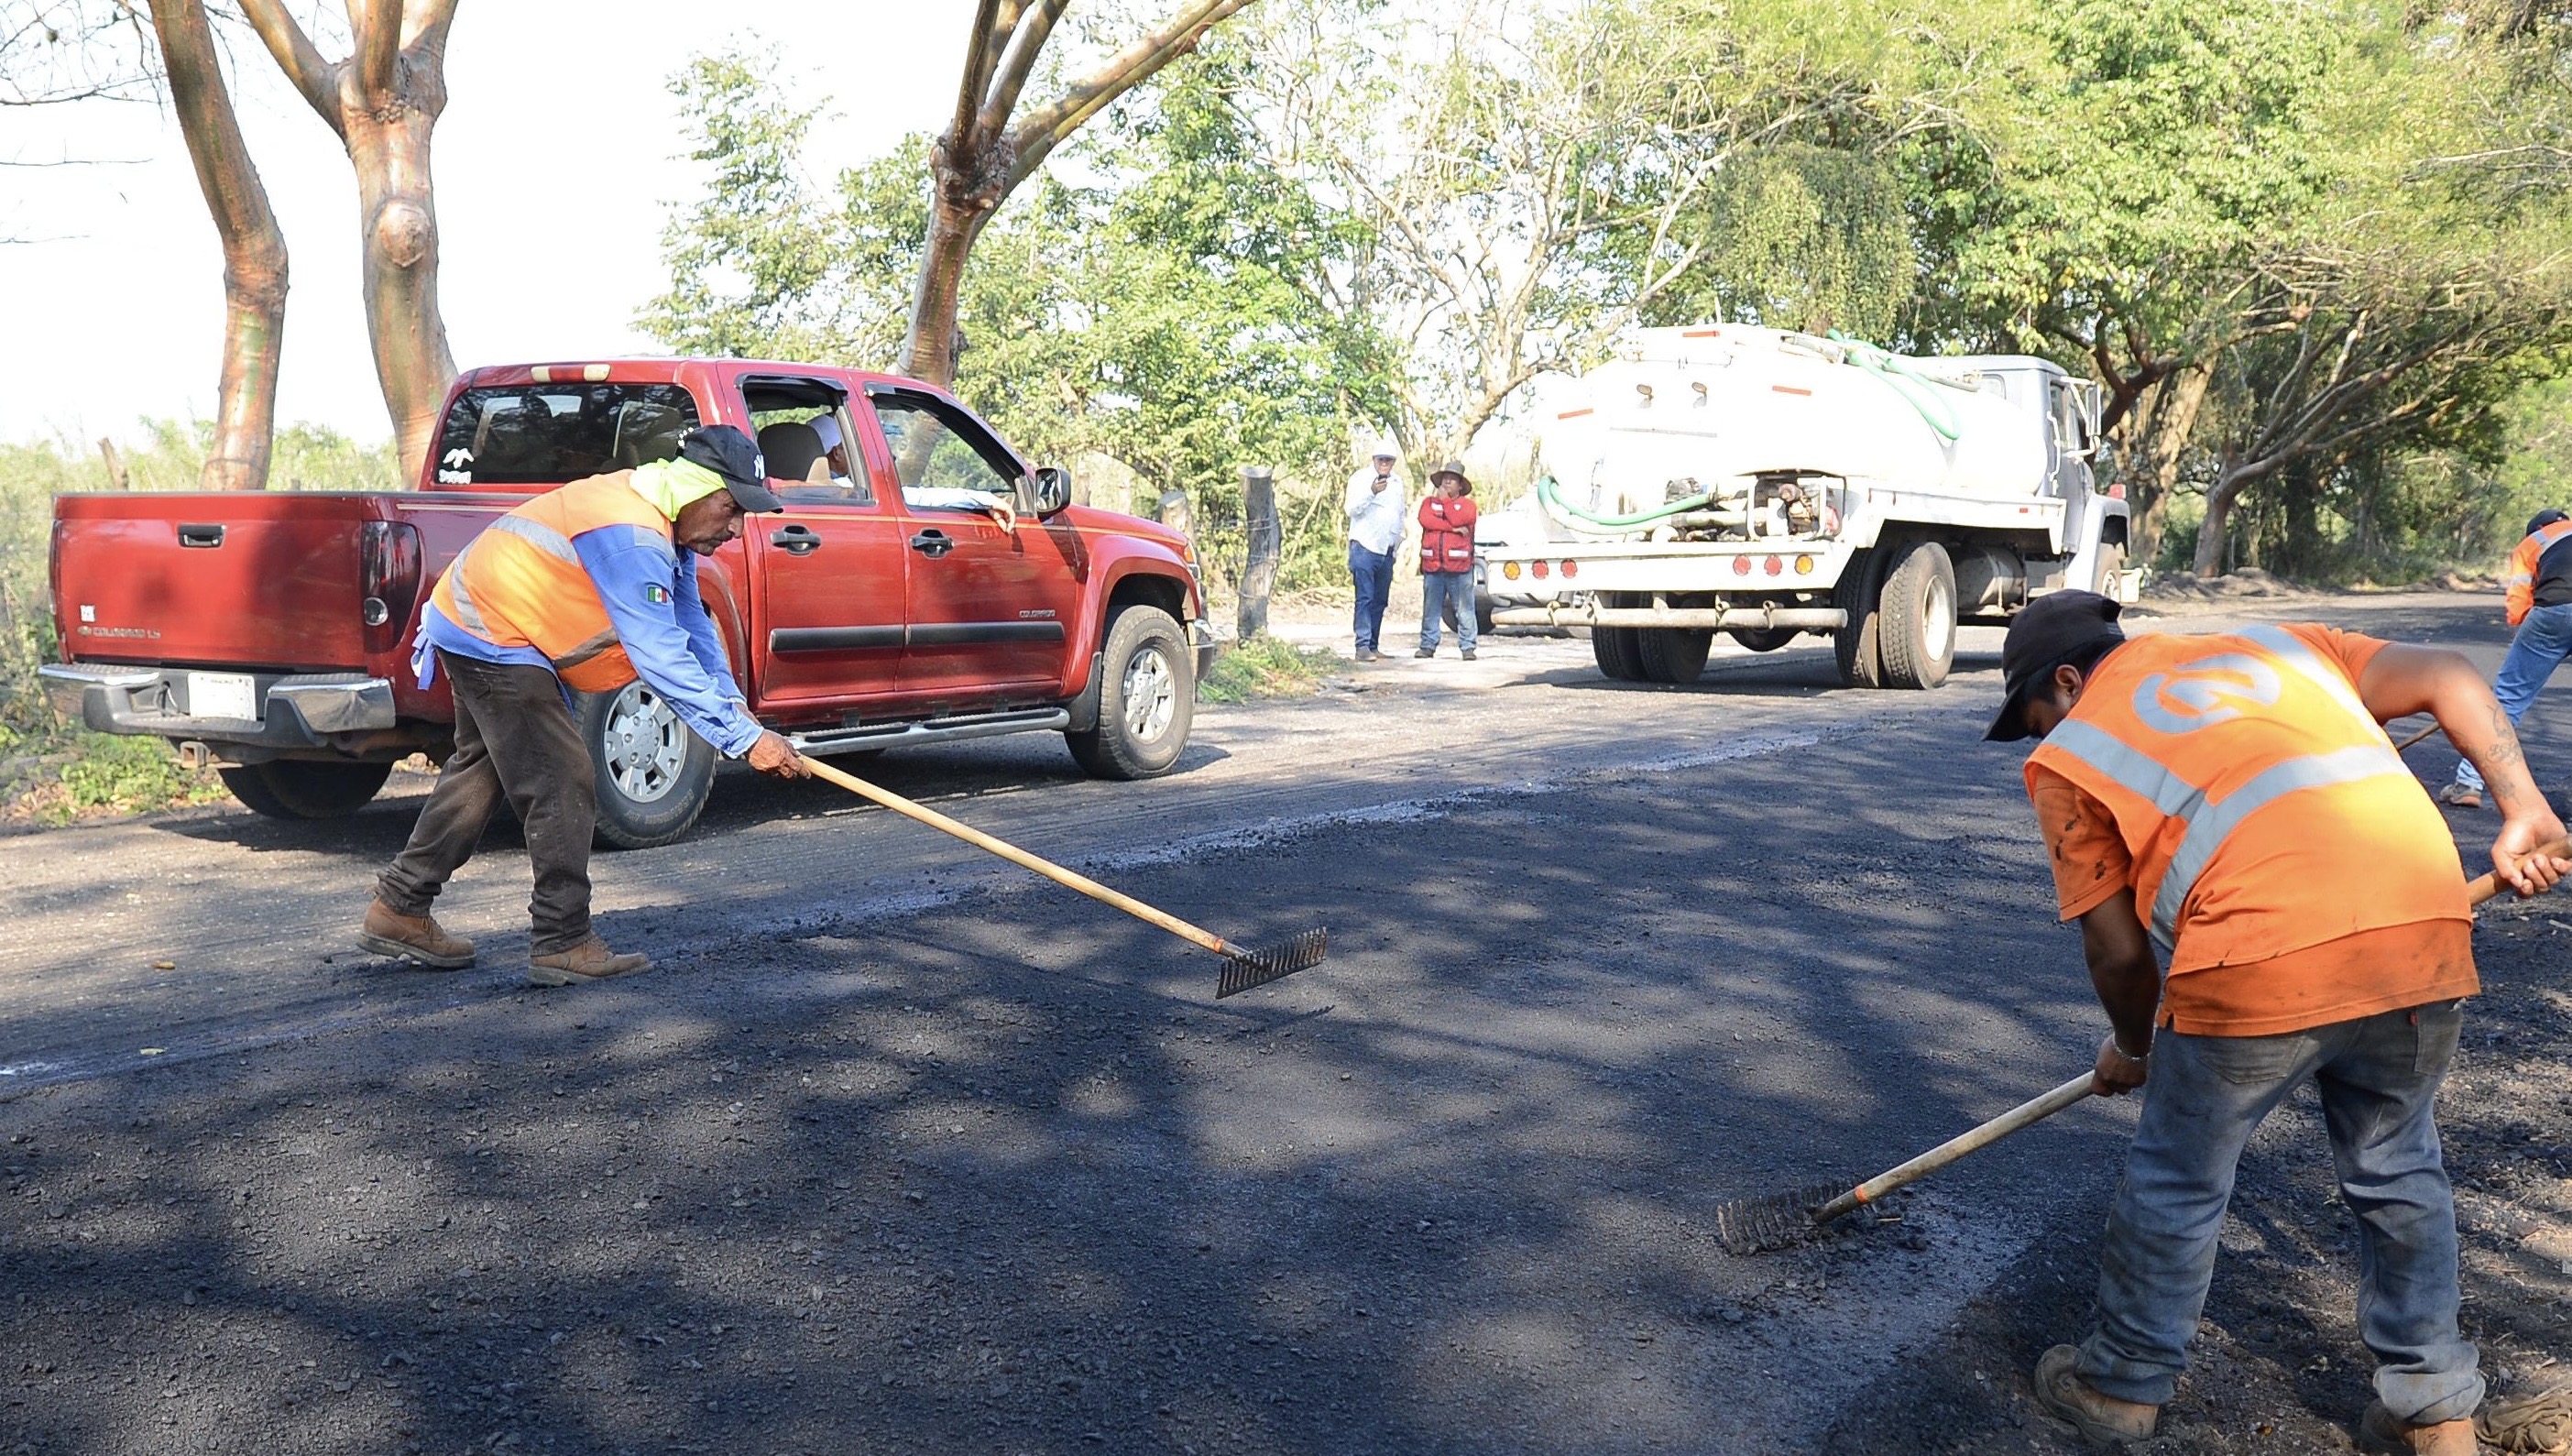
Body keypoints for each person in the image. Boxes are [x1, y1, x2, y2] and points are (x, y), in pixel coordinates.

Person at [1987, 591, 2567, 1455]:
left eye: (2037, 719)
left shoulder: (2073, 754)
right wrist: (2521, 807)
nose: (2043, 737)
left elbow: (2116, 953)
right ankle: (2437, 1413)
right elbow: (2449, 673)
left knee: (2179, 1175)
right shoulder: (2282, 646)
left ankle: (2119, 1386)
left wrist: (2135, 1047)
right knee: (2398, 1167)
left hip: (2253, 948)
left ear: (2067, 680)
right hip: (2420, 925)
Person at [358, 425, 812, 988]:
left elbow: (691, 624)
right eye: (731, 508)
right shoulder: (633, 534)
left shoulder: (668, 523)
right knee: (561, 776)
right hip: (493, 629)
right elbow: (660, 654)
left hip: (485, 620)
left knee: (484, 769)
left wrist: (736, 712)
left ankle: (400, 906)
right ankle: (562, 940)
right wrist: (741, 741)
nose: (737, 527)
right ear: (697, 489)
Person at [2437, 508, 2572, 808]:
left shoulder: (2532, 543)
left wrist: (2528, 641)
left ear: (2536, 528)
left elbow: (2518, 604)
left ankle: (2468, 784)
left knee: (2508, 699)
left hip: (2554, 609)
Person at [808, 412, 1015, 529]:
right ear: (837, 453)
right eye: (857, 447)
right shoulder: (841, 490)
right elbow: (914, 498)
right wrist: (982, 499)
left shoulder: (801, 490)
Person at [1344, 439, 1406, 662]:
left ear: (1394, 462)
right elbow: (1351, 509)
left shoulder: (1397, 482)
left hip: (1386, 549)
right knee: (1365, 597)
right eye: (1381, 459)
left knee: (1380, 599)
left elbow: (1399, 514)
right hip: (1364, 546)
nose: (1385, 463)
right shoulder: (1360, 478)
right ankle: (1362, 646)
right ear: (1374, 459)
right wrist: (1372, 492)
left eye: (1389, 460)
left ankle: (1373, 645)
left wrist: (1396, 545)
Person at [1416, 460, 1479, 660]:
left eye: (1452, 479)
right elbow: (1426, 520)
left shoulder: (1468, 506)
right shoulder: (1428, 503)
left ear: (1460, 485)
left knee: (1464, 610)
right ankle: (1427, 646)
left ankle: (1468, 647)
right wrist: (1452, 529)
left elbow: (1459, 519)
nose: (1447, 482)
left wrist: (1446, 503)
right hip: (1433, 567)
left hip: (1460, 568)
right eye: (1445, 479)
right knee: (1431, 610)